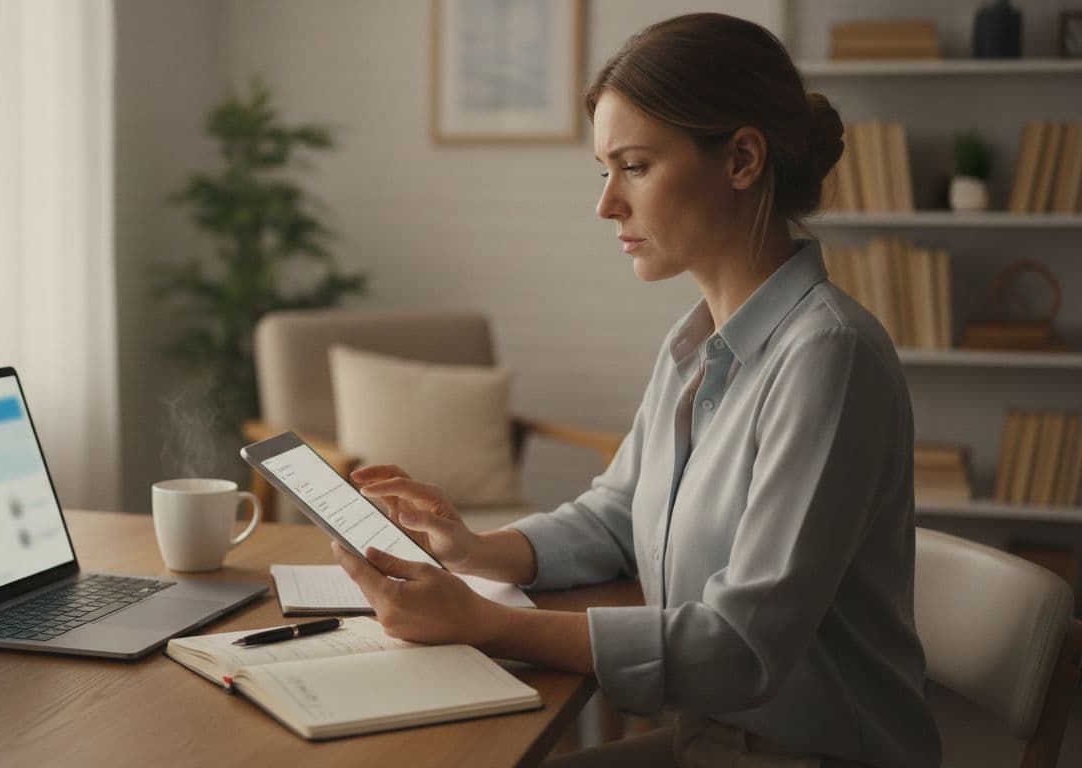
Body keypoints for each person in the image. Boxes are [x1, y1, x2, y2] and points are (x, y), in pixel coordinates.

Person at [330, 12, 941, 768]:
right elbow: (620, 513)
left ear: (743, 158)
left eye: (636, 166)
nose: (606, 203)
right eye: (604, 170)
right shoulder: (695, 344)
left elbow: (742, 647)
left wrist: (482, 623)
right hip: (710, 740)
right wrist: (478, 548)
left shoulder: (830, 358)